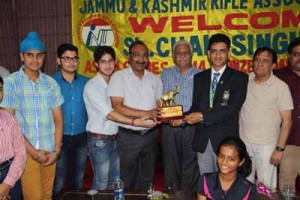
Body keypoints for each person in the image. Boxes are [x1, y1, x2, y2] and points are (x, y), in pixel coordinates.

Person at [0, 31, 64, 200]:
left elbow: (58, 120)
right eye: (30, 55)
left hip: (49, 151)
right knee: (34, 197)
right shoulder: (10, 83)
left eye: (39, 55)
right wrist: (34, 153)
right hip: (25, 153)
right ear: (22, 56)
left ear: (44, 57)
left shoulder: (51, 83)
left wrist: (56, 151)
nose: (35, 60)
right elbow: (10, 125)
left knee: (47, 196)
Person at [172, 33, 248, 175]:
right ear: (208, 53)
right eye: (214, 51)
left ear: (229, 53)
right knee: (207, 184)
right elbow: (195, 107)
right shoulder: (200, 77)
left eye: (222, 51)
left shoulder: (239, 78)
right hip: (203, 141)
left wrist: (201, 117)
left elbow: (231, 109)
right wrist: (181, 118)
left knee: (226, 186)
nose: (218, 55)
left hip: (226, 143)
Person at [84, 45, 156, 190]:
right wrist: (135, 121)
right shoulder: (91, 86)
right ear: (96, 64)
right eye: (103, 62)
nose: (107, 65)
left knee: (115, 182)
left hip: (117, 139)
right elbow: (111, 113)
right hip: (100, 141)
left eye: (110, 61)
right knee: (101, 182)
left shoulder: (117, 81)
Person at [107, 40, 162, 192]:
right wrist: (148, 114)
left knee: (147, 178)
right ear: (129, 58)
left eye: (145, 55)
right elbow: (117, 106)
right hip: (128, 137)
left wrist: (169, 112)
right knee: (126, 179)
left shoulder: (155, 79)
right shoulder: (119, 77)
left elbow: (160, 105)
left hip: (151, 136)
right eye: (137, 55)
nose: (141, 59)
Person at [240, 47, 293, 190]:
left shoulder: (280, 87)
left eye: (265, 61)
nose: (259, 64)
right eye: (257, 60)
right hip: (244, 143)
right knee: (244, 185)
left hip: (267, 146)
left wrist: (279, 149)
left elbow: (287, 121)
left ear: (274, 65)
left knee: (267, 189)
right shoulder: (244, 81)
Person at [161, 40, 200, 199]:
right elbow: (161, 100)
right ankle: (173, 196)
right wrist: (169, 118)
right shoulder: (165, 74)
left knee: (190, 169)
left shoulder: (202, 74)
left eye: (186, 52)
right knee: (171, 167)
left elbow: (204, 103)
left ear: (191, 55)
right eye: (178, 53)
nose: (182, 55)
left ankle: (188, 197)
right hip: (170, 128)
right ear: (173, 56)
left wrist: (186, 119)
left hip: (193, 127)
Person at [52, 44, 89, 194]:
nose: (71, 62)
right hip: (59, 137)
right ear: (58, 60)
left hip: (81, 136)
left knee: (78, 180)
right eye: (67, 58)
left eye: (74, 59)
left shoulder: (86, 82)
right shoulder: (50, 82)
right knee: (59, 181)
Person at [273, 37, 300, 192]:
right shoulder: (277, 76)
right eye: (296, 54)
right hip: (288, 143)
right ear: (289, 56)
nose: (299, 58)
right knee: (287, 188)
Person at [0, 77, 26, 200]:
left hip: (10, 172)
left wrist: (7, 183)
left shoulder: (9, 118)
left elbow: (20, 152)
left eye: (0, 89)